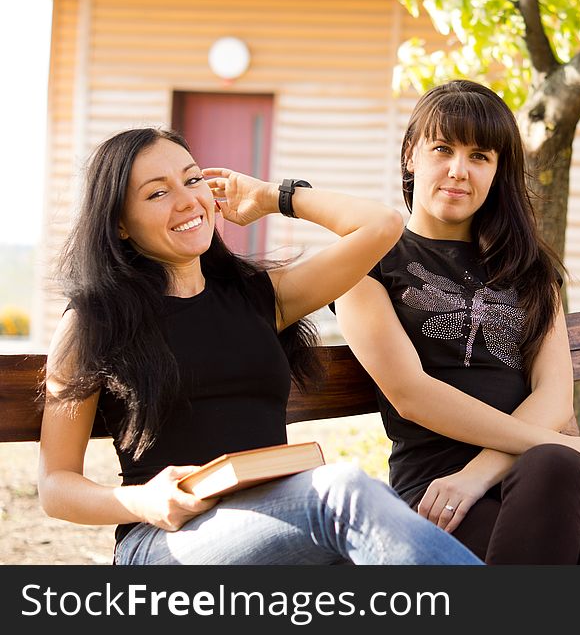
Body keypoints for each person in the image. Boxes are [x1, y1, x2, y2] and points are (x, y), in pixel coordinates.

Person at [37, 127, 483, 566]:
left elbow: (383, 225)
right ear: (119, 224)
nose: (188, 200)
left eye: (193, 180)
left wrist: (273, 197)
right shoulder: (91, 324)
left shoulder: (262, 297)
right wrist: (143, 501)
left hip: (278, 524)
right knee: (342, 494)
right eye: (157, 194)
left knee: (364, 524)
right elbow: (55, 486)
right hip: (163, 542)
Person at [334, 80, 580, 564]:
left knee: (553, 464)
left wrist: (478, 474)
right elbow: (413, 396)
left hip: (542, 476)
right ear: (411, 155)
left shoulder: (530, 268)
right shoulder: (366, 262)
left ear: (498, 172)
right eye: (442, 149)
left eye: (480, 156)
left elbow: (554, 397)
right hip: (439, 492)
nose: (458, 171)